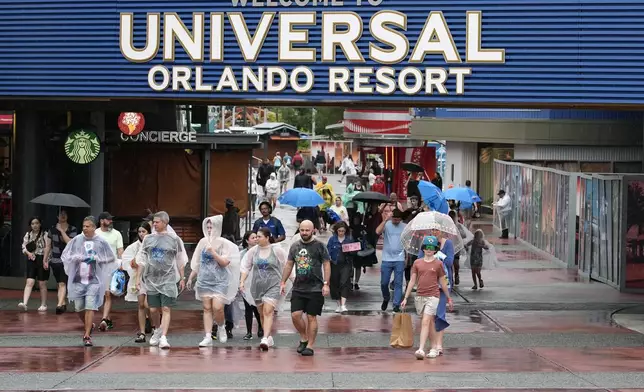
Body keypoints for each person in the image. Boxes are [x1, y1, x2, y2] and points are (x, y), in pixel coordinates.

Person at [61, 216, 118, 346]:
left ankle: (87, 335)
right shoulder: (77, 240)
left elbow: (111, 257)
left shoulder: (101, 241)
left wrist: (98, 258)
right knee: (79, 308)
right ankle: (89, 325)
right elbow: (66, 255)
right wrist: (75, 257)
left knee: (90, 307)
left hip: (94, 280)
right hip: (79, 279)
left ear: (93, 227)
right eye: (83, 226)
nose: (85, 229)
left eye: (87, 226)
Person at [136, 211, 188, 349]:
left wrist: (182, 277)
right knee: (153, 309)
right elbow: (142, 259)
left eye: (157, 222)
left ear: (165, 223)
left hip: (168, 279)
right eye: (153, 222)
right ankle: (157, 329)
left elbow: (180, 259)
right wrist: (138, 278)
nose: (154, 224)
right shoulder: (148, 239)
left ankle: (164, 337)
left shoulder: (174, 239)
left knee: (166, 308)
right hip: (152, 278)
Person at [186, 215, 241, 347]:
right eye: (208, 226)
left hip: (220, 281)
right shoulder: (202, 242)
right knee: (206, 308)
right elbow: (198, 262)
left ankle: (221, 326)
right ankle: (208, 335)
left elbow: (224, 263)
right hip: (204, 280)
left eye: (212, 226)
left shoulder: (225, 244)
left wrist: (213, 252)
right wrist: (190, 277)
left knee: (218, 307)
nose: (210, 229)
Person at [281, 220, 331, 357]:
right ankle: (304, 337)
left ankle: (310, 346)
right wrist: (283, 282)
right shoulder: (295, 246)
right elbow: (289, 264)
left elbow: (326, 264)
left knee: (311, 317)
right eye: (302, 230)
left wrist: (326, 284)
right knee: (295, 315)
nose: (304, 233)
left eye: (307, 230)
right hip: (299, 286)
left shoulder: (320, 246)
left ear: (313, 230)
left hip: (315, 288)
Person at [401, 235, 454, 360]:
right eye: (427, 247)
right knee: (429, 322)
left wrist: (448, 297)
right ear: (423, 248)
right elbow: (412, 281)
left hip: (434, 296)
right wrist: (405, 298)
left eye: (432, 247)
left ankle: (421, 349)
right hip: (420, 296)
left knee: (425, 321)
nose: (429, 250)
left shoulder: (438, 264)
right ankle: (435, 346)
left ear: (435, 249)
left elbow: (443, 281)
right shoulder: (417, 263)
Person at [240, 227, 291, 351]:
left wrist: (288, 282)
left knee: (268, 311)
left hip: (273, 285)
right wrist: (242, 282)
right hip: (257, 286)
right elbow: (245, 267)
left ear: (267, 238)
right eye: (256, 236)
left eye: (259, 236)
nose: (257, 239)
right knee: (262, 313)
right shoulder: (252, 251)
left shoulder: (277, 250)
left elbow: (287, 265)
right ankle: (268, 336)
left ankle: (264, 338)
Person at [121, 221, 153, 343]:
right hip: (138, 277)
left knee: (149, 305)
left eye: (143, 231)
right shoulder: (134, 246)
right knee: (141, 304)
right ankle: (142, 332)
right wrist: (134, 262)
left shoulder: (152, 244)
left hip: (151, 278)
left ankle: (154, 325)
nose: (141, 234)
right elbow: (128, 261)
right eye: (139, 232)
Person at [95, 211, 124, 331]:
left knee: (107, 293)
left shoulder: (116, 234)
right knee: (100, 295)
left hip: (111, 266)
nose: (111, 221)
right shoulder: (95, 233)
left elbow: (120, 250)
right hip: (97, 267)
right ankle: (108, 319)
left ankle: (103, 319)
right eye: (108, 219)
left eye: (111, 219)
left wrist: (122, 264)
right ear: (102, 221)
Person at [376, 209, 406, 312]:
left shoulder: (404, 226)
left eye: (398, 220)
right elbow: (377, 231)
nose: (396, 221)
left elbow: (408, 242)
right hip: (386, 258)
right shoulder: (387, 224)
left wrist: (407, 257)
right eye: (394, 219)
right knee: (384, 283)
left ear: (401, 219)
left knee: (398, 283)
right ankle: (386, 298)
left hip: (399, 258)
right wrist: (385, 220)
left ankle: (396, 305)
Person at [48, 210, 78, 314]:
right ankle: (63, 303)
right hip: (55, 260)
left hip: (67, 260)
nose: (63, 216)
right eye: (61, 214)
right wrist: (45, 259)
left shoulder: (72, 229)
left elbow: (70, 242)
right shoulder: (52, 229)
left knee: (62, 283)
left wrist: (61, 230)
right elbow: (48, 246)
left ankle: (59, 305)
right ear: (57, 216)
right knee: (59, 283)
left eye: (65, 214)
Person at [18, 216, 51, 312]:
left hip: (42, 258)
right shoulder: (28, 235)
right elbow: (24, 248)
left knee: (42, 283)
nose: (35, 225)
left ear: (40, 224)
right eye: (32, 224)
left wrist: (46, 260)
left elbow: (48, 248)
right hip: (31, 259)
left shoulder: (45, 234)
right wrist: (29, 253)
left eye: (36, 223)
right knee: (29, 282)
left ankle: (43, 304)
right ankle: (24, 303)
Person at [239, 231, 263, 340]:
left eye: (257, 237)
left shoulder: (261, 251)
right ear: (247, 240)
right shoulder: (242, 254)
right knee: (248, 307)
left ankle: (261, 327)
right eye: (253, 237)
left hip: (258, 283)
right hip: (246, 284)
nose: (255, 239)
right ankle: (249, 332)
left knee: (257, 306)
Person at [326, 221, 355, 313]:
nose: (341, 232)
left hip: (346, 264)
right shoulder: (332, 239)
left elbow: (354, 252)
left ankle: (343, 304)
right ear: (336, 231)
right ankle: (338, 304)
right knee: (335, 284)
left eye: (343, 231)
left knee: (344, 282)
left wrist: (349, 250)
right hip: (334, 264)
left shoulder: (349, 239)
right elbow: (327, 251)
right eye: (339, 231)